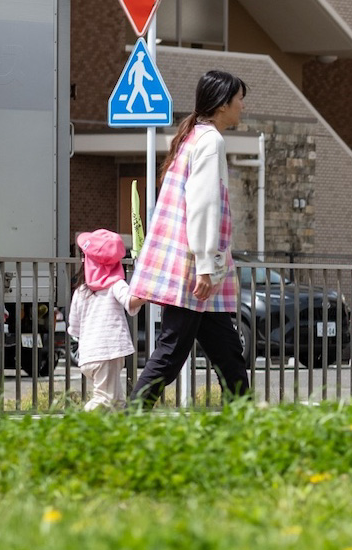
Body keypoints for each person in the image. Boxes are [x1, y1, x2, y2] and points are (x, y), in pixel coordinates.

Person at [129, 70, 254, 406]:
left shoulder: (192, 137)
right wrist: (205, 265)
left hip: (188, 264)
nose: (242, 106)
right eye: (240, 99)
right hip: (193, 270)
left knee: (228, 354)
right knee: (171, 352)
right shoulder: (210, 141)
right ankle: (130, 418)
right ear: (224, 103)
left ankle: (245, 422)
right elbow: (203, 206)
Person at [68, 230, 146, 411]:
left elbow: (74, 327)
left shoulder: (81, 290)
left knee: (117, 400)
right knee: (104, 398)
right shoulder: (115, 284)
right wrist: (148, 292)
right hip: (108, 352)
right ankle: (78, 425)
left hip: (88, 354)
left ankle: (116, 432)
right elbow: (130, 301)